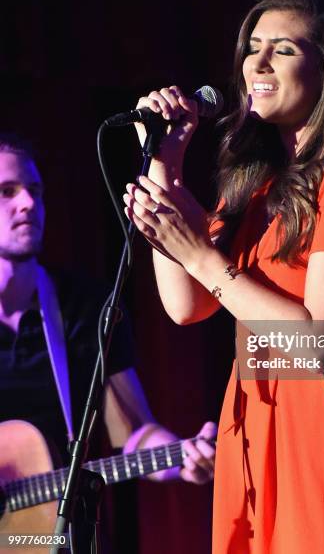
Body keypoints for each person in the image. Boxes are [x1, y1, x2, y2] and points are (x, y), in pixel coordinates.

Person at [123, 0, 324, 553]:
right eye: (252, 48)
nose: (255, 64)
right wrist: (166, 162)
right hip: (256, 424)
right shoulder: (257, 187)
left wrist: (204, 259)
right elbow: (186, 307)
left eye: (282, 50)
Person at [0, 133, 216, 489]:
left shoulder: (85, 309)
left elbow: (133, 433)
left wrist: (182, 457)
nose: (27, 203)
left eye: (34, 190)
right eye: (7, 191)